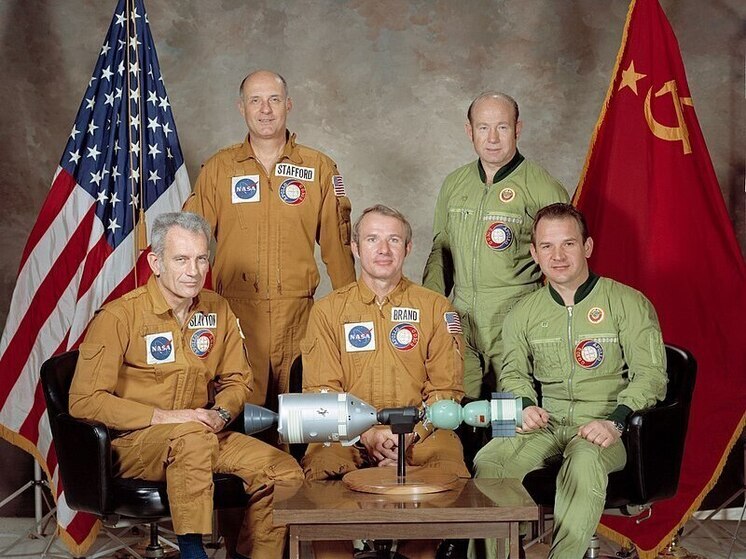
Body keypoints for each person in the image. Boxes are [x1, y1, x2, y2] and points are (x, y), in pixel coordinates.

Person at [69, 212, 304, 559]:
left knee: (283, 471)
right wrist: (170, 418)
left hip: (205, 432)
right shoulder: (119, 317)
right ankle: (193, 552)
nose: (193, 271)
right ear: (156, 263)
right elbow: (85, 401)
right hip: (136, 441)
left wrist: (221, 414)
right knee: (191, 438)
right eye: (181, 259)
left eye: (201, 259)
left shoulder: (217, 309)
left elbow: (238, 380)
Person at [473, 203, 668, 558]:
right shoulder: (522, 313)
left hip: (602, 426)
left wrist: (616, 421)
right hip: (546, 424)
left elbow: (652, 375)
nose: (558, 256)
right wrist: (524, 406)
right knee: (489, 462)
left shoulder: (628, 303)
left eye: (568, 244)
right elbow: (513, 373)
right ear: (534, 253)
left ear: (587, 246)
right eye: (547, 246)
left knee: (583, 462)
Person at [301, 205, 470, 559]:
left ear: (408, 248)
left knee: (450, 469)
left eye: (394, 240)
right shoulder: (328, 312)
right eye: (372, 239)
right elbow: (321, 392)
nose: (383, 249)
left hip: (422, 432)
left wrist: (410, 435)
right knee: (319, 472)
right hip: (345, 434)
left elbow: (446, 391)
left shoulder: (436, 309)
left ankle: (415, 553)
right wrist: (366, 434)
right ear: (355, 247)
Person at [184, 70, 355, 411]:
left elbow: (337, 249)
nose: (265, 110)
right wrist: (175, 308)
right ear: (242, 108)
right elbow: (188, 241)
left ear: (288, 105)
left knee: (301, 418)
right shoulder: (219, 169)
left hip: (299, 317)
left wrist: (351, 314)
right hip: (236, 316)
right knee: (239, 416)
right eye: (255, 101)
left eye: (274, 100)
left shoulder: (318, 169)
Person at [423, 91, 569, 404]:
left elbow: (565, 264)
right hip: (461, 323)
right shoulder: (454, 184)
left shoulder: (543, 188)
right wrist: (430, 311)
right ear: (469, 131)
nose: (492, 138)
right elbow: (441, 253)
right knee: (460, 413)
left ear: (518, 129)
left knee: (508, 417)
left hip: (515, 323)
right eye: (483, 127)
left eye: (502, 127)